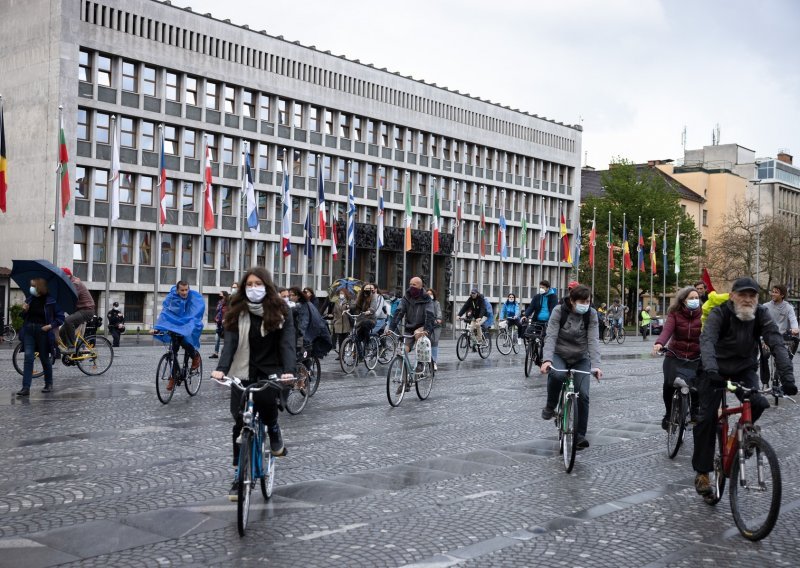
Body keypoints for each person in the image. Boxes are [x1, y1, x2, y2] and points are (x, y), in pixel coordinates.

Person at [692, 277, 798, 497]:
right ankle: (702, 472)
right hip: (715, 369)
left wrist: (788, 379)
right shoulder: (720, 313)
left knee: (758, 402)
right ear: (732, 296)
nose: (748, 300)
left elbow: (776, 342)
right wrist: (711, 370)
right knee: (707, 418)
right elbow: (708, 341)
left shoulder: (760, 314)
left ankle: (740, 438)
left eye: (752, 296)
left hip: (743, 369)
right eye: (743, 295)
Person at [210, 267, 296, 501]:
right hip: (242, 369)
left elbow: (287, 343)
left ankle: (274, 430)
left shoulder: (281, 311)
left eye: (258, 284)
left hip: (271, 369)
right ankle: (239, 476)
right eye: (249, 284)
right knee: (239, 423)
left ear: (267, 286)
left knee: (268, 406)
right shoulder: (236, 311)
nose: (253, 288)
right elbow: (230, 342)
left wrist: (288, 371)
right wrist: (221, 369)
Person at [540, 284, 603, 449]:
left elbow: (593, 340)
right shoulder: (559, 311)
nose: (585, 304)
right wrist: (547, 360)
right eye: (582, 301)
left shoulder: (592, 314)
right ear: (572, 301)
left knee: (583, 395)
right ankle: (550, 405)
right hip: (559, 354)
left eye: (588, 301)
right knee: (557, 375)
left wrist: (596, 366)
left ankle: (580, 435)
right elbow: (551, 336)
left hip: (581, 357)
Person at [652, 286, 703, 429]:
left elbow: (709, 333)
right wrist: (659, 343)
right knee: (668, 384)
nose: (695, 300)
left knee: (697, 385)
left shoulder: (705, 314)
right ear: (683, 301)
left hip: (695, 355)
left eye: (696, 298)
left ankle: (694, 411)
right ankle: (669, 414)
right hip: (675, 354)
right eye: (691, 298)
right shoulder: (675, 313)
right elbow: (667, 330)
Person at [152, 280, 205, 391]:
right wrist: (158, 328)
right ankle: (174, 376)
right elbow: (165, 313)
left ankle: (195, 356)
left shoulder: (192, 298)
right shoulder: (171, 298)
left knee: (184, 341)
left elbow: (195, 312)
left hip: (186, 324)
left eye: (186, 290)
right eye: (182, 290)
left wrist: (191, 324)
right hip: (174, 325)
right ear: (177, 290)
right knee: (173, 352)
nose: (184, 292)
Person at [17, 278, 65, 396]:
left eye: (33, 286)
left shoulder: (51, 301)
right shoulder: (30, 299)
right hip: (29, 330)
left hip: (43, 331)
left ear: (40, 287)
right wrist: (23, 311)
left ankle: (48, 383)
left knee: (44, 358)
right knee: (28, 357)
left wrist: (50, 326)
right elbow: (22, 316)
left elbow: (60, 318)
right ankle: (26, 388)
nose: (31, 288)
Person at [387, 277, 435, 377]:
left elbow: (430, 315)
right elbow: (399, 312)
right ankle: (405, 379)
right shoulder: (406, 297)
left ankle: (421, 363)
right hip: (409, 329)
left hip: (422, 327)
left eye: (414, 285)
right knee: (401, 352)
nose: (411, 287)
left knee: (417, 333)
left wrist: (426, 330)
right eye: (410, 284)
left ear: (421, 286)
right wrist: (391, 328)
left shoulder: (427, 299)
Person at [59, 267, 96, 348]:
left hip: (87, 310)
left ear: (68, 275)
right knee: (62, 331)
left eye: (62, 276)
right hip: (80, 310)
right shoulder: (70, 283)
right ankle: (70, 354)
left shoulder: (75, 283)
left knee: (68, 320)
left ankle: (71, 346)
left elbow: (70, 297)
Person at [351, 283, 379, 357]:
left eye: (368, 289)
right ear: (363, 289)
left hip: (371, 320)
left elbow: (373, 306)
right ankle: (360, 355)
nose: (367, 291)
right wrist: (348, 308)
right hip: (361, 320)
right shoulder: (360, 297)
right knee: (357, 338)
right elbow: (355, 306)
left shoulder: (373, 297)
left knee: (365, 324)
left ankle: (367, 343)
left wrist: (369, 311)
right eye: (365, 289)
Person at [427, 288, 443, 371]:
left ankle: (434, 362)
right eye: (428, 294)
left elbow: (439, 313)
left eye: (431, 294)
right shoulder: (424, 303)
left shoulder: (436, 303)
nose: (429, 295)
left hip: (435, 325)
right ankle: (421, 361)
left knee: (434, 342)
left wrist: (438, 319)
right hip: (426, 325)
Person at [210, 291, 229, 359]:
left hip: (226, 324)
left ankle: (226, 353)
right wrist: (217, 318)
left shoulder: (228, 303)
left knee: (226, 339)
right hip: (219, 323)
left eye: (220, 294)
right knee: (217, 338)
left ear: (224, 295)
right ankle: (216, 353)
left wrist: (225, 319)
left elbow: (228, 313)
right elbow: (218, 312)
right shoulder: (220, 303)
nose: (219, 295)